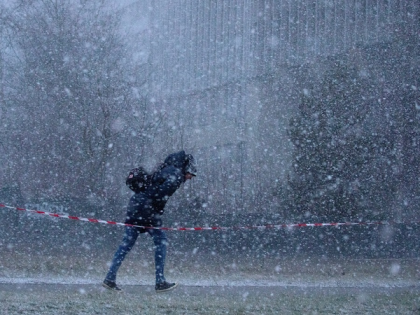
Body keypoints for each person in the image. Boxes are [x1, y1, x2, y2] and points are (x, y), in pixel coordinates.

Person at [102, 151, 197, 293]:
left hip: (135, 205)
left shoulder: (165, 168)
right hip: (148, 210)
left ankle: (110, 278)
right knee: (161, 241)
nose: (190, 177)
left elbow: (152, 189)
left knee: (126, 244)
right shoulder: (176, 175)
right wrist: (156, 211)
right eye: (191, 173)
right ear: (186, 167)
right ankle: (160, 281)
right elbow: (160, 194)